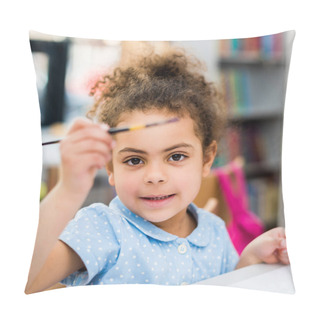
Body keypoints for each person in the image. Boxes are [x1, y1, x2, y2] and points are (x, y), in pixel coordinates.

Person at [25, 47, 289, 294]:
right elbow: (23, 280)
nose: (154, 176)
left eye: (176, 156)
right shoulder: (102, 229)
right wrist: (69, 190)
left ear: (207, 159)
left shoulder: (214, 230)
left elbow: (222, 294)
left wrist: (252, 258)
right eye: (135, 160)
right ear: (111, 167)